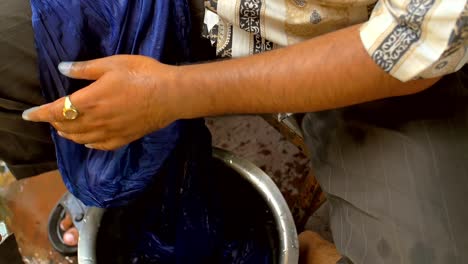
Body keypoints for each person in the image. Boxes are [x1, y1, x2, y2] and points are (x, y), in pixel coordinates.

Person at [2, 0, 467, 263]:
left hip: (362, 62)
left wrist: (175, 95)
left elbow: (405, 53)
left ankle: (309, 247)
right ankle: (93, 182)